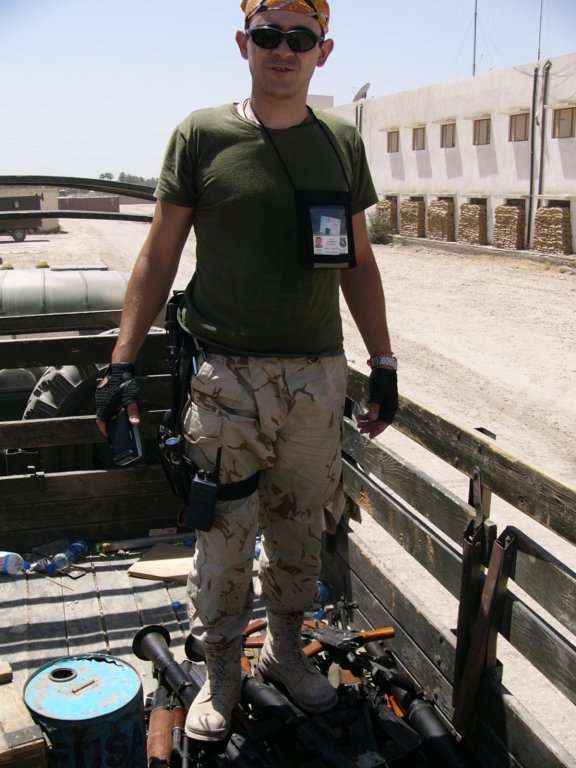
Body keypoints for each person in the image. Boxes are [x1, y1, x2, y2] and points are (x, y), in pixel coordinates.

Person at [95, 0, 398, 743]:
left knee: (299, 533)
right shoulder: (202, 134)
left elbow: (358, 261)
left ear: (323, 50)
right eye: (268, 35)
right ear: (244, 42)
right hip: (224, 379)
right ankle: (224, 672)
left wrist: (383, 360)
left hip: (317, 380)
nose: (283, 49)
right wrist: (121, 361)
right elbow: (158, 255)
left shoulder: (341, 143)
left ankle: (285, 655)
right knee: (224, 539)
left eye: (300, 37)